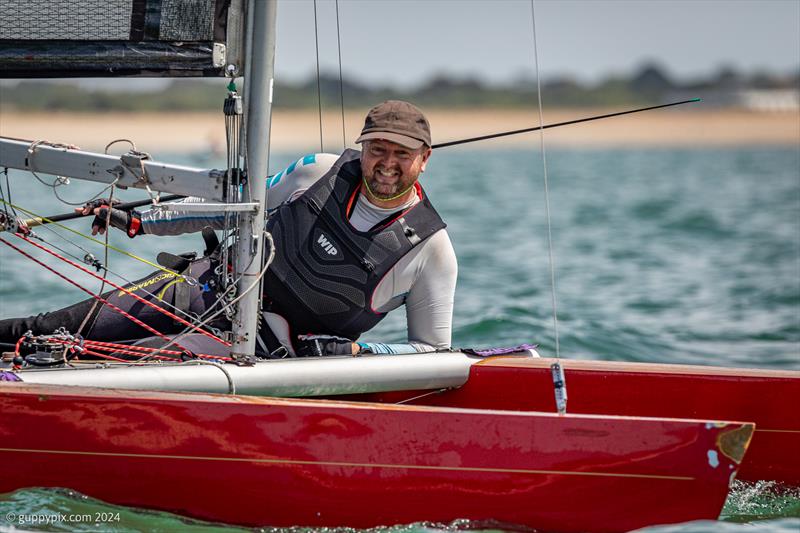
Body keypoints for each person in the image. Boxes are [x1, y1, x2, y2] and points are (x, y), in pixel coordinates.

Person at [0, 101, 458, 357]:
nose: (387, 164)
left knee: (82, 356)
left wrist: (362, 356)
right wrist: (141, 220)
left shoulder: (431, 251)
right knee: (49, 329)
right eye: (378, 149)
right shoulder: (317, 172)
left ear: (424, 158)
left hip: (263, 357)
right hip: (200, 290)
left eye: (402, 154)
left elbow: (432, 351)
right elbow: (231, 207)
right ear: (362, 149)